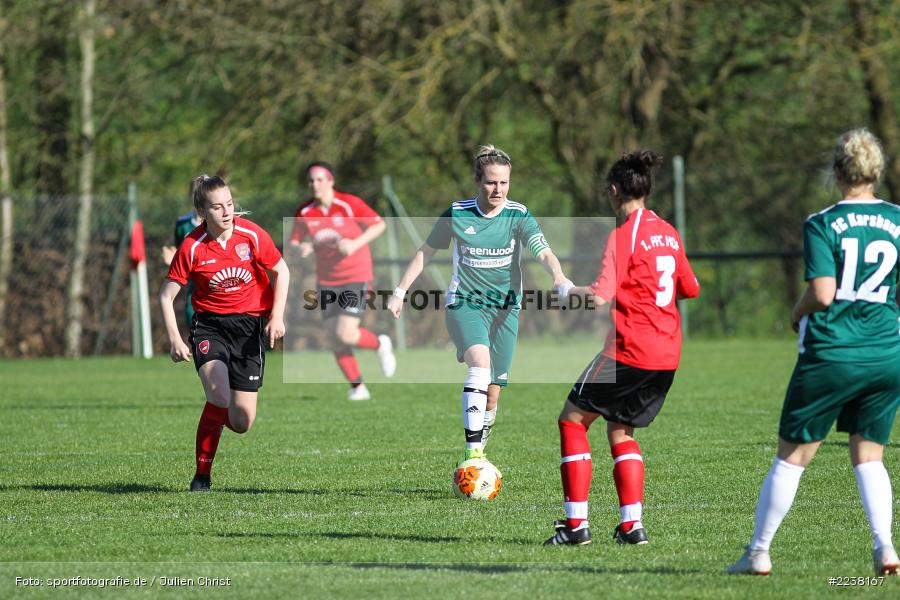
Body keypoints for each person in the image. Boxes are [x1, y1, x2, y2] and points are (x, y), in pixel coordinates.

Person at [728, 129, 900, 576]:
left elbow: (823, 293)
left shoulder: (822, 223)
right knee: (870, 454)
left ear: (837, 171)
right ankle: (885, 548)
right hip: (886, 354)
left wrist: (794, 310)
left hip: (833, 352)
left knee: (793, 456)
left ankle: (758, 553)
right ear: (876, 171)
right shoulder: (899, 220)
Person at [544, 150, 699, 546]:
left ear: (614, 191)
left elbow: (598, 296)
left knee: (572, 420)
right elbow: (690, 288)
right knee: (620, 429)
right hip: (667, 354)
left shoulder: (622, 236)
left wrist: (566, 291)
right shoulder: (668, 231)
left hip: (629, 350)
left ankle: (576, 525)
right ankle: (632, 527)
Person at [388, 145, 573, 465]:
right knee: (480, 364)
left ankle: (480, 449)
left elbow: (542, 251)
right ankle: (472, 452)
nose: (498, 189)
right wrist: (400, 291)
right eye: (491, 182)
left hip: (505, 309)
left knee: (494, 392)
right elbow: (425, 253)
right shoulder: (457, 213)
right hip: (465, 304)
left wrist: (558, 276)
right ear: (478, 181)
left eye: (504, 183)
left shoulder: (518, 214)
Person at [159, 174, 289, 492]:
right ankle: (202, 475)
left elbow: (282, 270)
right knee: (217, 395)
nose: (227, 211)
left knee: (242, 422)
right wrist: (175, 339)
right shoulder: (191, 246)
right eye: (217, 207)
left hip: (249, 329)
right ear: (203, 212)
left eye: (229, 204)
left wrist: (277, 317)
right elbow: (166, 295)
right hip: (210, 326)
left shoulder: (251, 236)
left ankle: (218, 416)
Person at [289, 161, 396, 401]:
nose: (314, 184)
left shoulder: (348, 203)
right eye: (310, 180)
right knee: (333, 336)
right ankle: (358, 387)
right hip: (327, 280)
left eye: (319, 179)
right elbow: (294, 242)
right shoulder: (305, 211)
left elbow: (379, 224)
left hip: (355, 275)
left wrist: (355, 244)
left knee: (346, 333)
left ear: (331, 181)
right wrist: (300, 248)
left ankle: (380, 344)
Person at [161, 192, 203, 327]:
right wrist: (174, 261)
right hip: (195, 291)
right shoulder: (182, 225)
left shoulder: (221, 225)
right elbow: (181, 257)